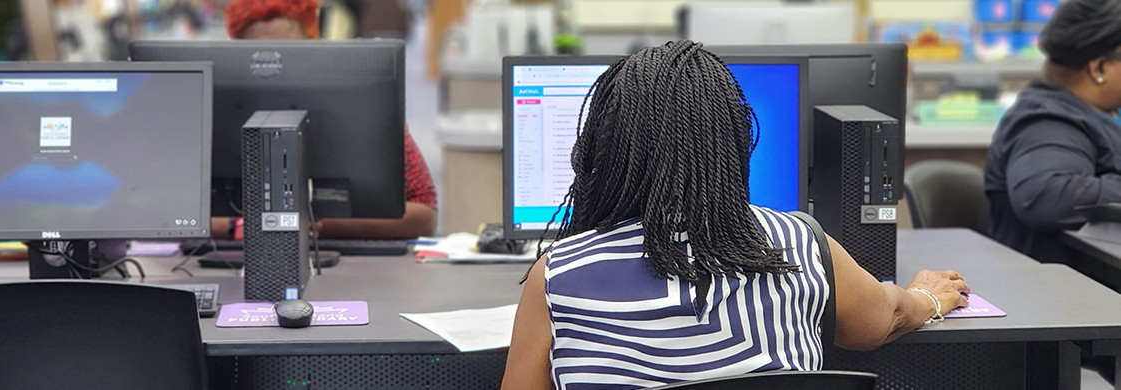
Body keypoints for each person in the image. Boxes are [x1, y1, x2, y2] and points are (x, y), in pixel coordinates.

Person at [501, 41, 970, 389]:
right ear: (733, 141)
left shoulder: (558, 275)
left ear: (604, 148)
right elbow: (882, 320)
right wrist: (926, 298)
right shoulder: (801, 245)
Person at [213, 0, 438, 240]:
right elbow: (177, 215)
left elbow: (424, 215)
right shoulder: (214, 111)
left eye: (288, 55)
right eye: (263, 61)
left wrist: (317, 224)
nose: (277, 73)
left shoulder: (364, 105)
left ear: (314, 43)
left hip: (351, 267)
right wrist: (242, 225)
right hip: (234, 265)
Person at [986, 0, 1121, 266]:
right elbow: (1045, 195)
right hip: (1075, 293)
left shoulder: (1100, 111)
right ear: (1099, 68)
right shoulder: (1048, 122)